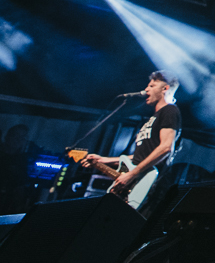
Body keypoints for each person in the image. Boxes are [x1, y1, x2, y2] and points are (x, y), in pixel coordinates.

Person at [75, 72, 181, 212]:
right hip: (137, 183)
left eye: (152, 86)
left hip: (152, 185)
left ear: (165, 88)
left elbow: (166, 147)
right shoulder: (153, 118)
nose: (146, 89)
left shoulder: (169, 110)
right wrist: (104, 160)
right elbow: (141, 156)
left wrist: (132, 174)